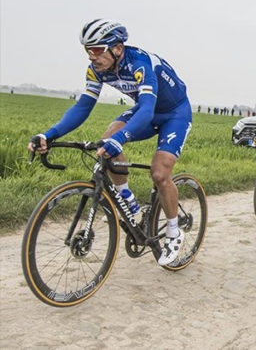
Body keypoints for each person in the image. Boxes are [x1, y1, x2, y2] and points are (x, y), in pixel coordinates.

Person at [28, 20, 192, 266]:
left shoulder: (139, 63)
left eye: (96, 50)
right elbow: (83, 106)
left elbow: (146, 110)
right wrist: (49, 135)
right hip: (146, 111)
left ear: (116, 48)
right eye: (87, 51)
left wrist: (121, 139)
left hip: (174, 113)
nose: (91, 56)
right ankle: (129, 203)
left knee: (159, 173)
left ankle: (173, 230)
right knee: (107, 142)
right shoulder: (97, 70)